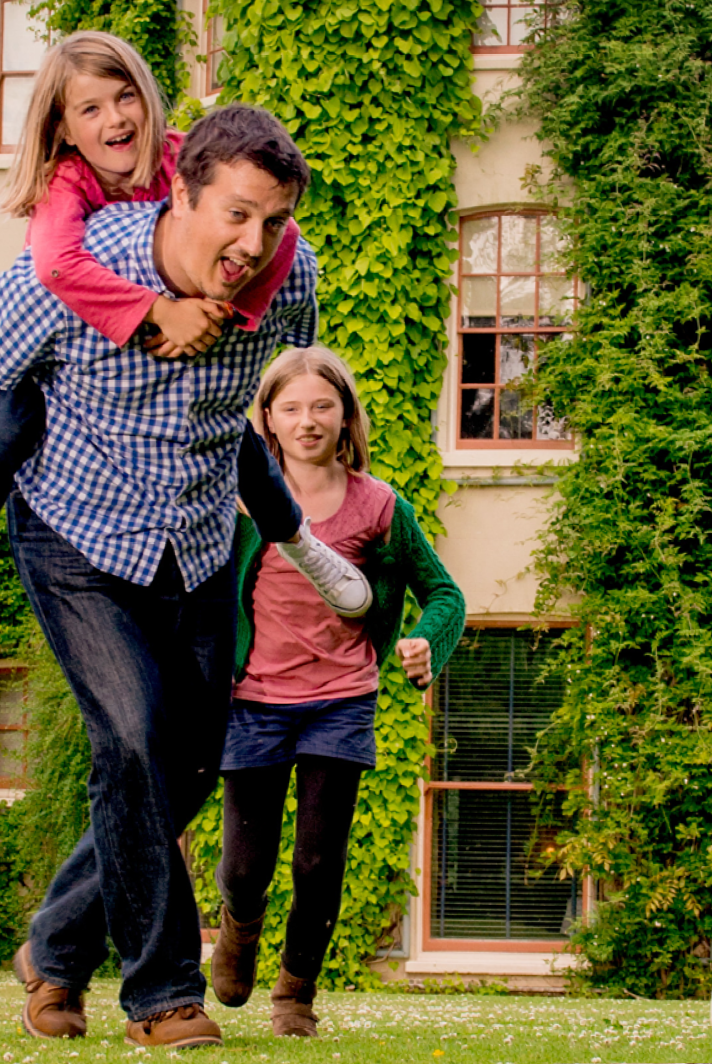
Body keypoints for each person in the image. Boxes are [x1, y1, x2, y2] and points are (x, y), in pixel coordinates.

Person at [0, 32, 361, 712]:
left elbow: (276, 238)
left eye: (125, 96)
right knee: (5, 433)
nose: (114, 120)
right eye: (89, 109)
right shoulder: (68, 186)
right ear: (62, 127)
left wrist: (235, 313)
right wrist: (158, 316)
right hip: (59, 352)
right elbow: (55, 272)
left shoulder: (184, 157)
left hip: (173, 392)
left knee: (234, 435)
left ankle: (300, 544)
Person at [0, 103, 318, 1050]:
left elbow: (281, 345)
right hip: (75, 533)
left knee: (188, 764)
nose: (255, 242)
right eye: (237, 214)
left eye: (275, 221)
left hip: (198, 540)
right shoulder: (82, 263)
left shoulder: (294, 280)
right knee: (128, 736)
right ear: (182, 190)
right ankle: (163, 994)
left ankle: (53, 948)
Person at [209, 347, 464, 1036]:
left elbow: (444, 592)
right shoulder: (241, 503)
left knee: (320, 861)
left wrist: (422, 642)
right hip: (254, 702)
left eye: (323, 405)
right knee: (244, 864)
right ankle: (238, 925)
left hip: (340, 700)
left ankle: (296, 992)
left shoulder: (378, 504)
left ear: (346, 417)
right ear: (267, 419)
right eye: (290, 407)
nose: (308, 420)